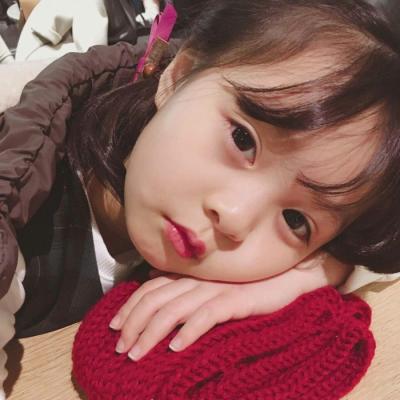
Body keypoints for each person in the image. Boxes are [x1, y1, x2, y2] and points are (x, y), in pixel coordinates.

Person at [1, 0, 400, 396]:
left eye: (295, 220)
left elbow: (381, 255)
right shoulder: (25, 194)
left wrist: (309, 274)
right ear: (177, 76)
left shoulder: (211, 100)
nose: (235, 216)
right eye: (243, 140)